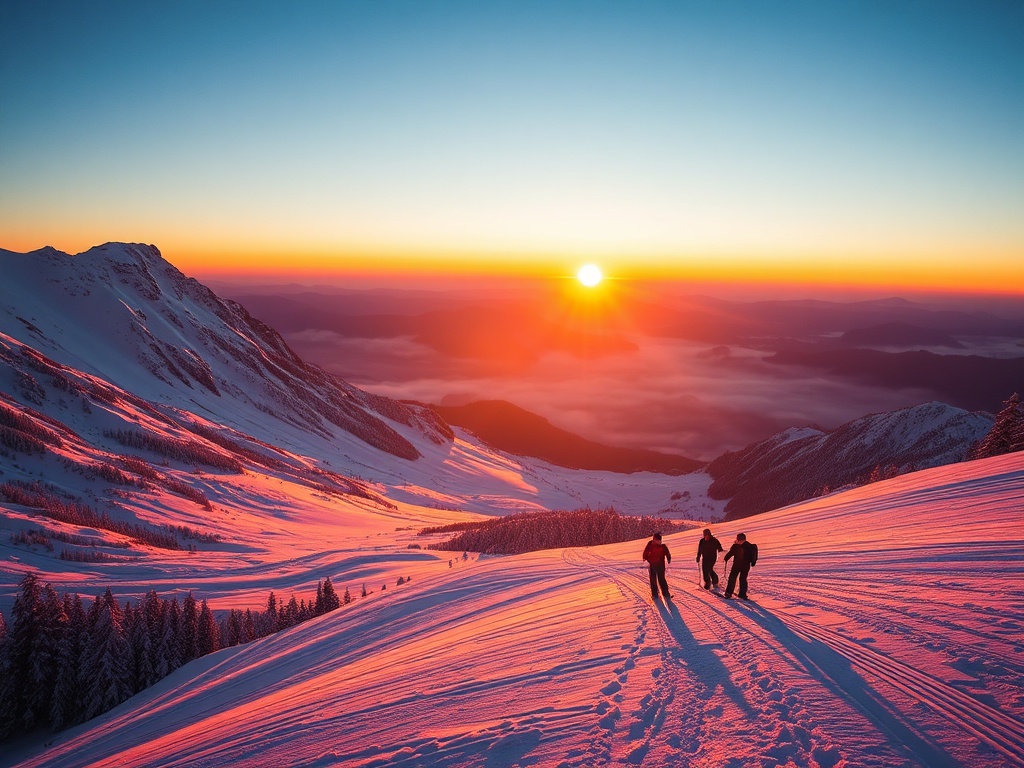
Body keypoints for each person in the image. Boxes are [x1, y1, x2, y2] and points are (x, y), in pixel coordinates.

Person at [723, 532, 757, 599]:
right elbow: (753, 556)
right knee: (741, 579)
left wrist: (726, 558)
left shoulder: (736, 546)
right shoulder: (750, 546)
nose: (739, 541)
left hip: (738, 565)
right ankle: (740, 594)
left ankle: (730, 593)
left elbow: (730, 553)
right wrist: (753, 562)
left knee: (734, 578)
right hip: (744, 565)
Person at [642, 532, 672, 600]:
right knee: (653, 580)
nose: (659, 542)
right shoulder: (650, 544)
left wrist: (669, 558)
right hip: (652, 564)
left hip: (661, 565)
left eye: (660, 541)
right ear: (654, 540)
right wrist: (645, 557)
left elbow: (667, 553)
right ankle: (654, 594)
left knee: (662, 579)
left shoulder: (663, 546)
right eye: (657, 540)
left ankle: (666, 593)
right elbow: (646, 551)